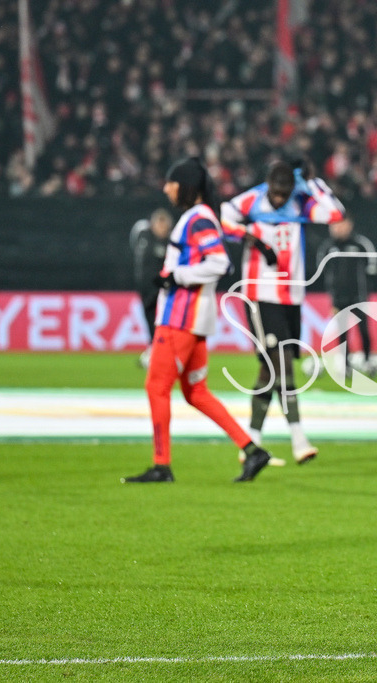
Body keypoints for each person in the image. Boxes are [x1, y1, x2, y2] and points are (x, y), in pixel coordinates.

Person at [123, 157, 272, 484]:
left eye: (171, 182)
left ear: (185, 186)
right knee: (196, 392)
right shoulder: (205, 217)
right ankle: (252, 450)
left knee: (156, 387)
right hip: (197, 320)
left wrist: (176, 275)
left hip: (180, 319)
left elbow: (220, 263)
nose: (166, 188)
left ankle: (162, 466)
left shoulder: (197, 218)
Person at [221, 160, 346, 465]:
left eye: (284, 194)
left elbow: (335, 213)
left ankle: (251, 443)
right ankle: (299, 440)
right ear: (268, 185)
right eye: (276, 194)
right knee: (283, 366)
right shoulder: (251, 199)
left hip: (292, 297)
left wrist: (314, 183)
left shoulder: (300, 202)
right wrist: (249, 236)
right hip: (260, 297)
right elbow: (223, 219)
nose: (279, 200)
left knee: (269, 371)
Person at [315, 216, 377, 374]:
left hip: (359, 296)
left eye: (341, 225)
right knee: (342, 332)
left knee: (363, 329)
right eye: (334, 225)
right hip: (338, 298)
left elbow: (372, 267)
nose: (337, 228)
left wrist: (366, 288)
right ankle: (345, 365)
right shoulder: (328, 247)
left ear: (349, 225)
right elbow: (321, 269)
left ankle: (367, 361)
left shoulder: (361, 244)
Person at [130, 208, 174, 369]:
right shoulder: (144, 236)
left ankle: (160, 353)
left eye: (164, 224)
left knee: (163, 323)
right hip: (145, 289)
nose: (161, 228)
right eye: (159, 224)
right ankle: (154, 349)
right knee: (150, 321)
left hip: (163, 290)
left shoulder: (171, 243)